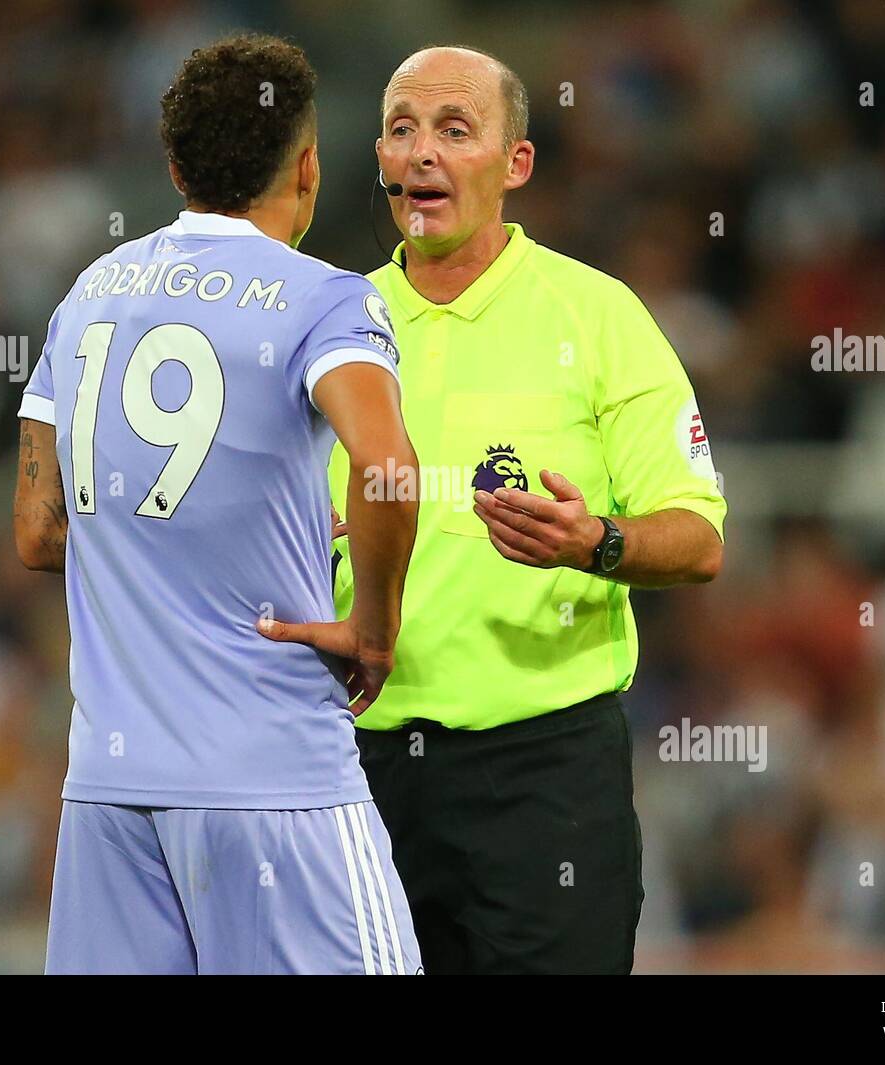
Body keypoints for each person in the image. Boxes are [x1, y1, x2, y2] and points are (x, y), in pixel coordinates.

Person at [263, 45, 727, 974]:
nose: (421, 153)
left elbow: (699, 536)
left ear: (515, 164)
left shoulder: (597, 317)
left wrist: (597, 542)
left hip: (544, 776)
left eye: (453, 129)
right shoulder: (324, 323)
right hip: (352, 767)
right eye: (401, 130)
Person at [12, 33, 422, 975]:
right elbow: (390, 468)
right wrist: (374, 624)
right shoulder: (326, 298)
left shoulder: (89, 294)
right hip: (274, 781)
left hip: (109, 795)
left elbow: (38, 532)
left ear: (174, 166)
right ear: (309, 164)